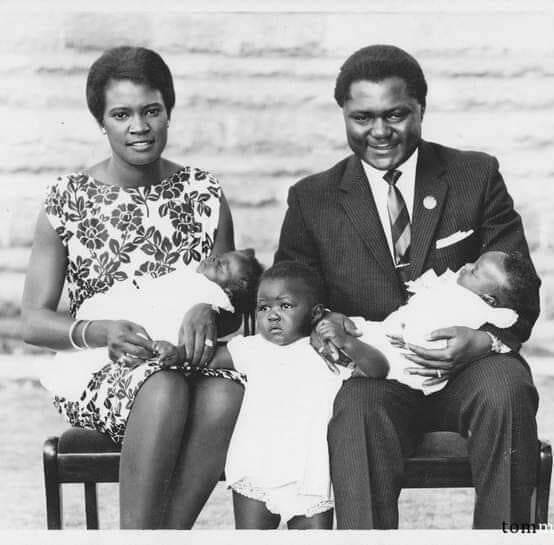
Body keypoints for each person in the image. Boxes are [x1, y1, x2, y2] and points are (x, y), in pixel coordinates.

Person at [275, 44, 541, 529]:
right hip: (376, 374)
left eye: (396, 114)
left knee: (507, 387)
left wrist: (484, 340)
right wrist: (323, 323)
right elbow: (289, 293)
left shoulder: (474, 175)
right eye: (362, 117)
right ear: (344, 116)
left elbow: (522, 283)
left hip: (467, 369)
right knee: (355, 409)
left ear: (421, 108)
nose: (379, 131)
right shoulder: (313, 199)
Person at [21, 46, 246, 529]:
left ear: (169, 111)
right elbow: (33, 322)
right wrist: (101, 332)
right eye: (121, 114)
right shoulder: (68, 199)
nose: (138, 127)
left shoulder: (203, 192)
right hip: (101, 366)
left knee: (228, 395)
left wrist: (211, 312)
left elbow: (234, 300)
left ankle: (166, 535)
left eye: (151, 111)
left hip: (184, 357)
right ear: (101, 122)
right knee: (162, 389)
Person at [150, 261, 389, 529]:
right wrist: (176, 353)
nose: (272, 315)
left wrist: (349, 343)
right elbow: (208, 358)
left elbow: (378, 369)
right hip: (255, 468)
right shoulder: (251, 348)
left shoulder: (326, 350)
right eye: (264, 307)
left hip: (310, 474)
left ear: (315, 314)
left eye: (285, 306)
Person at [39, 249, 263, 404]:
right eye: (218, 257)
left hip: (149, 337)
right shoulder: (189, 276)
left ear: (235, 288)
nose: (214, 259)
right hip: (115, 321)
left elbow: (201, 336)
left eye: (222, 266)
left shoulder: (215, 297)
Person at [324, 251, 535, 396]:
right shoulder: (460, 288)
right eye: (473, 262)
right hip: (396, 330)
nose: (466, 266)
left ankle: (353, 354)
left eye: (474, 272)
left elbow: (514, 316)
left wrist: (489, 340)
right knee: (364, 333)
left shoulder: (470, 305)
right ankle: (345, 346)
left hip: (420, 355)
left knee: (506, 386)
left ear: (489, 299)